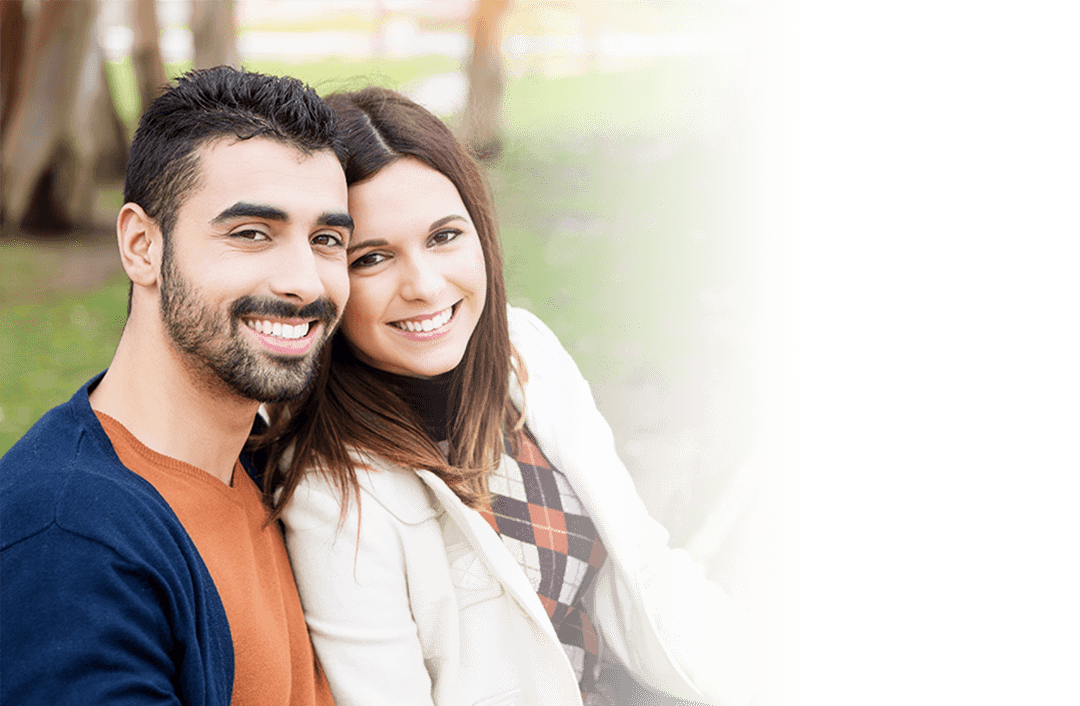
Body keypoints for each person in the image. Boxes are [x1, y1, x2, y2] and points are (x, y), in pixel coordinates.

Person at [259, 87, 773, 706]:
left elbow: (643, 569)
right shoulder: (332, 494)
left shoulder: (525, 354)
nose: (424, 285)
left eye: (444, 236)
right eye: (373, 257)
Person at [0, 66, 354, 706]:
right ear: (142, 245)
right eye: (251, 234)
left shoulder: (268, 465)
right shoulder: (69, 541)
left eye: (327, 239)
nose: (305, 281)